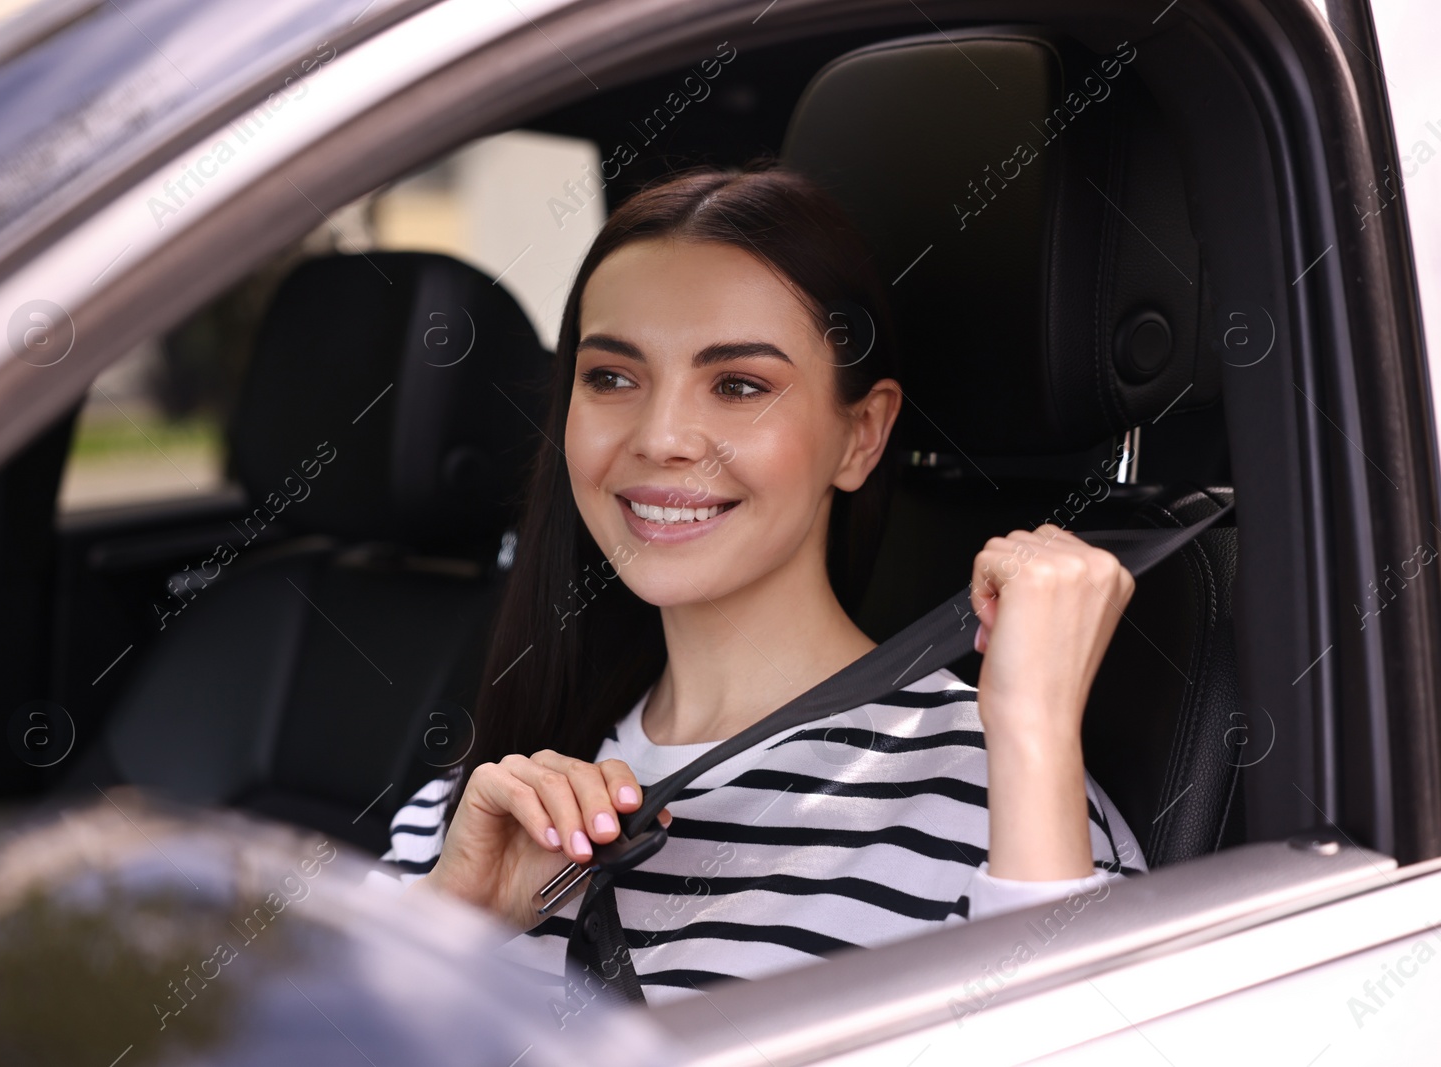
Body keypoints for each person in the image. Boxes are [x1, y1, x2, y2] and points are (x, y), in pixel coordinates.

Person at [374, 162, 1144, 1008]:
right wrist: (446, 929)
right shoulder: (478, 804)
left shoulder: (1003, 799)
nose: (661, 435)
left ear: (860, 435)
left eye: (739, 384)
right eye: (612, 377)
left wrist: (1033, 733)